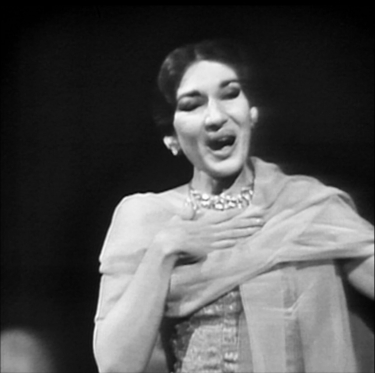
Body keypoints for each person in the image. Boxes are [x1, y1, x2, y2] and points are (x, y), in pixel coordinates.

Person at [93, 39, 374, 373]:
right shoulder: (146, 218)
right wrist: (164, 250)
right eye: (192, 104)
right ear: (171, 136)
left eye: (230, 94)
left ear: (251, 113)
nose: (216, 116)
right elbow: (114, 365)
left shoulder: (308, 207)